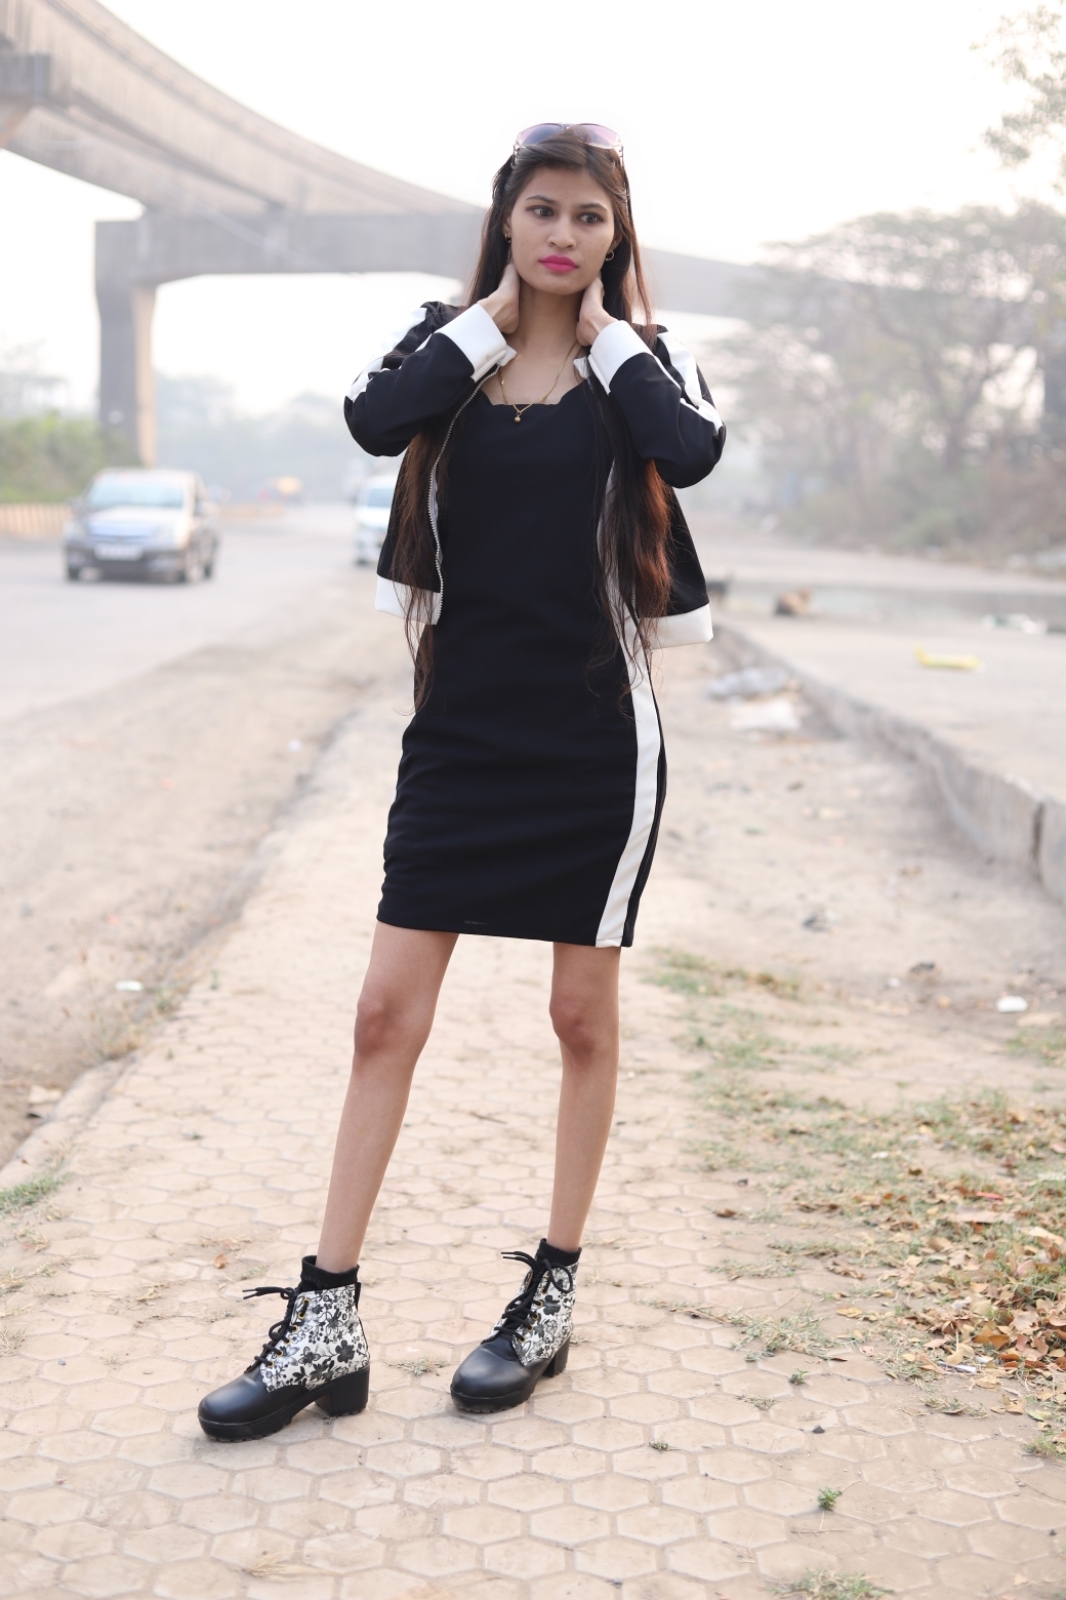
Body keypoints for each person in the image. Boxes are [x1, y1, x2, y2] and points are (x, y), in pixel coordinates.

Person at [198, 124, 724, 1442]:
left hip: (594, 743)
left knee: (579, 1019)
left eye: (589, 216)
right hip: (459, 737)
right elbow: (372, 422)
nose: (563, 235)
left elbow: (690, 450)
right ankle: (325, 1320)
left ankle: (548, 1299)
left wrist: (606, 336)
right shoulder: (444, 349)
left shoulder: (642, 363)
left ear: (615, 234)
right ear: (505, 221)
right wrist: (489, 322)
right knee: (384, 1013)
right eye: (541, 210)